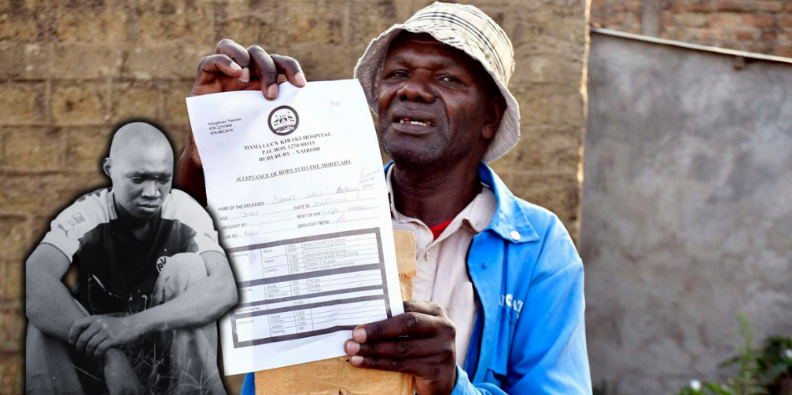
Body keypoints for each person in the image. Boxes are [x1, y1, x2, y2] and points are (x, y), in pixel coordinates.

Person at [175, 2, 591, 394]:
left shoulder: (537, 248)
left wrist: (451, 385)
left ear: (490, 117)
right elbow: (166, 266)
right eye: (397, 74)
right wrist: (207, 148)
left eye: (447, 79)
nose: (413, 90)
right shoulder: (306, 208)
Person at [26, 121, 237, 395]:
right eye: (138, 179)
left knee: (190, 267)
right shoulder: (88, 213)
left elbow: (225, 288)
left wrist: (130, 326)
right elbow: (36, 278)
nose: (152, 193)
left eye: (162, 179)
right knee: (44, 314)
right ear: (110, 170)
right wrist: (111, 353)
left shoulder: (184, 210)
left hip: (163, 345)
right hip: (98, 347)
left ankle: (192, 391)